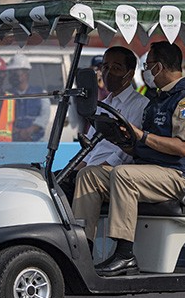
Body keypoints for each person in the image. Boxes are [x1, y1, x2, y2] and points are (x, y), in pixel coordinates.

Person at [73, 42, 185, 277]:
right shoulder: (159, 99)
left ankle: (125, 254)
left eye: (147, 66)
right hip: (151, 170)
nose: (145, 71)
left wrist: (141, 135)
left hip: (178, 175)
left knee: (124, 174)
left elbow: (183, 147)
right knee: (89, 175)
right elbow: (143, 145)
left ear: (158, 67)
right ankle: (82, 250)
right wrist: (123, 140)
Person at [59, 46, 149, 196]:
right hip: (92, 169)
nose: (109, 72)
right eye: (106, 67)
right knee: (53, 180)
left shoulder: (140, 105)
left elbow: (126, 151)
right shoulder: (104, 105)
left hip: (113, 173)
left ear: (130, 73)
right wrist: (71, 171)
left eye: (116, 68)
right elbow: (90, 148)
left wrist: (91, 171)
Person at [7, 54, 50, 142]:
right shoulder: (6, 95)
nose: (13, 76)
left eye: (16, 72)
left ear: (26, 73)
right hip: (13, 141)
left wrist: (29, 131)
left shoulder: (41, 93)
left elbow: (44, 116)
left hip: (36, 141)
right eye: (11, 73)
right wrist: (17, 132)